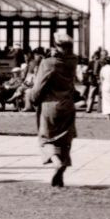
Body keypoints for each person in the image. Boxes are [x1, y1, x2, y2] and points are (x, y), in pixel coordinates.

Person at [28, 38, 79, 187]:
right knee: (65, 139)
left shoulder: (49, 63)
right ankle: (61, 175)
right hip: (68, 104)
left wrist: (32, 99)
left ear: (56, 46)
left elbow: (39, 87)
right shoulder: (73, 61)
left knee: (47, 139)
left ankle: (57, 163)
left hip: (51, 105)